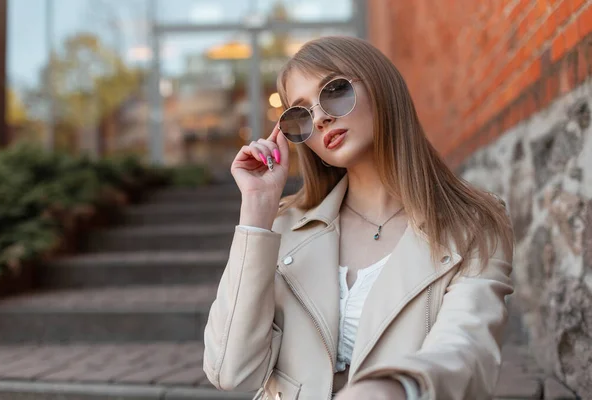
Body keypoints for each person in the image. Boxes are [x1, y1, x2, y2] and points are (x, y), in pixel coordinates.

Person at [203, 36, 514, 400]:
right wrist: (257, 211)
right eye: (300, 114)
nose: (320, 118)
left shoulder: (473, 226)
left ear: (381, 86)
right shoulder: (284, 228)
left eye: (335, 91)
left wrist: (395, 387)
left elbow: (467, 347)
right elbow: (230, 369)